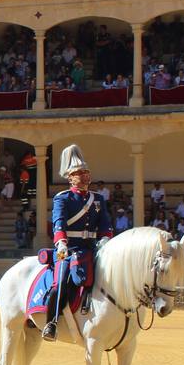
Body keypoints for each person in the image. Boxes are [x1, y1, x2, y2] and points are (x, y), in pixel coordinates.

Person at [43, 143, 112, 342]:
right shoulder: (63, 198)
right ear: (70, 177)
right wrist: (61, 243)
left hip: (93, 248)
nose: (84, 176)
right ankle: (51, 323)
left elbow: (105, 223)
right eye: (80, 173)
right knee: (60, 281)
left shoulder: (98, 199)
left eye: (86, 172)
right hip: (69, 249)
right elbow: (59, 223)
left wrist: (105, 238)